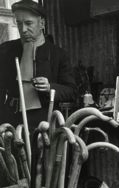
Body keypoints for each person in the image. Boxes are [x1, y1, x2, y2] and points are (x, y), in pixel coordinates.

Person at [0, 0, 77, 130]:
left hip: (44, 122)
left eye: (28, 23)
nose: (23, 29)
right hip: (10, 121)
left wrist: (50, 87)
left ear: (42, 23)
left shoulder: (58, 55)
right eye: (19, 23)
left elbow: (72, 91)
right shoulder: (5, 50)